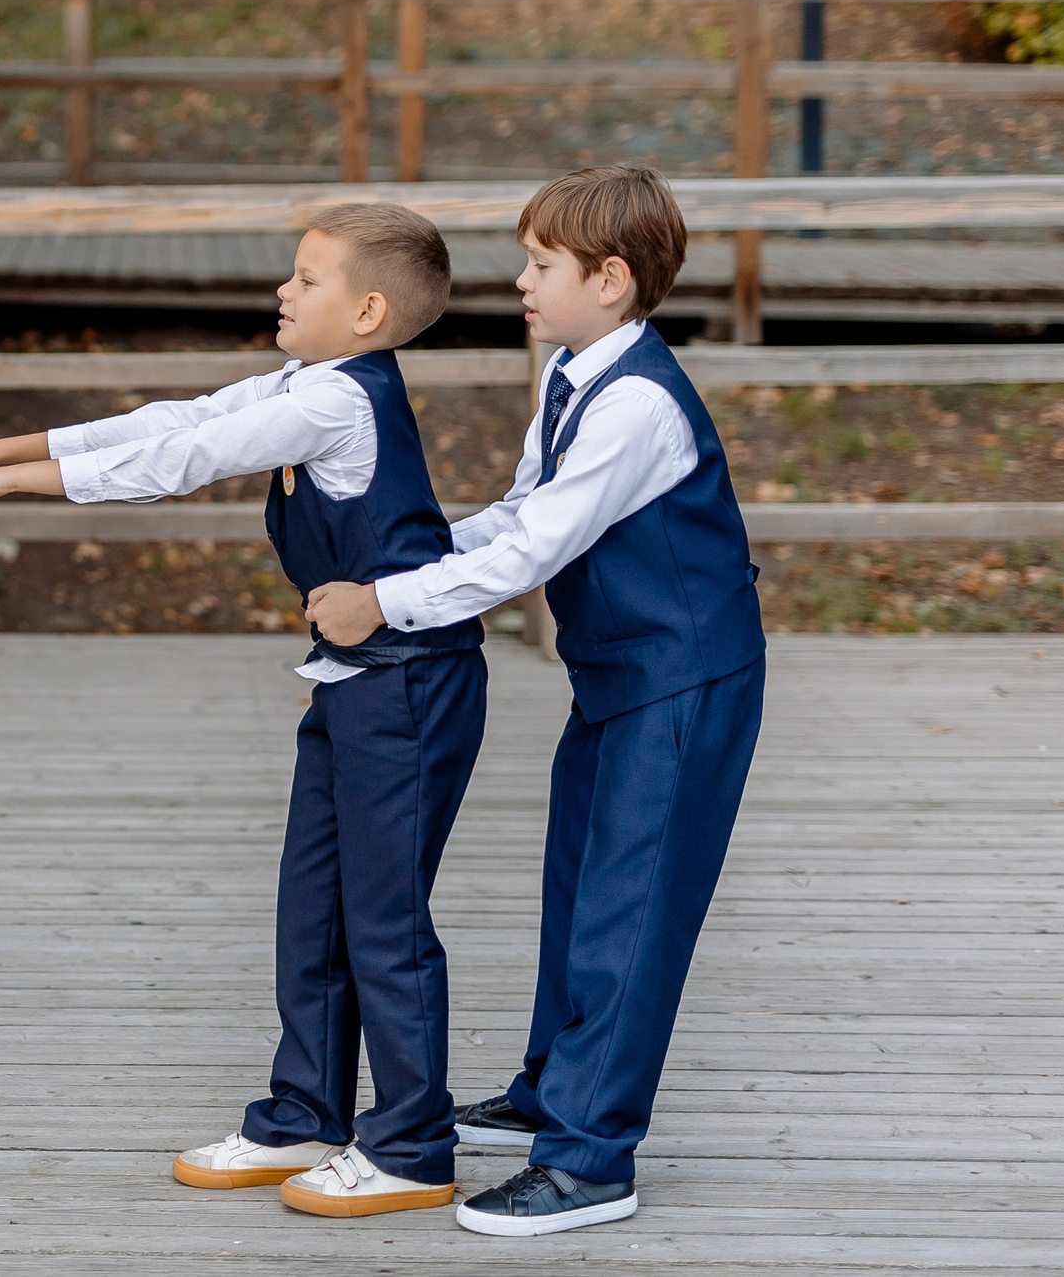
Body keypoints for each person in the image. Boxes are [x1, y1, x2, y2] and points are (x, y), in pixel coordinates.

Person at [0, 203, 486, 1221]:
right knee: (310, 905)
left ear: (365, 311)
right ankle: (305, 1115)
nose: (283, 289)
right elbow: (168, 422)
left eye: (307, 279)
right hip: (351, 677)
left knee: (383, 919)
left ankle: (410, 1145)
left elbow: (176, 465)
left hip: (410, 683)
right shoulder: (302, 383)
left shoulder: (338, 406)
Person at [308, 164, 765, 1238]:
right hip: (615, 674)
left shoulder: (639, 404)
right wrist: (407, 555)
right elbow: (517, 511)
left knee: (629, 907)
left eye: (539, 264)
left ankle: (591, 1155)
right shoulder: (570, 372)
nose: (518, 279)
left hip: (683, 682)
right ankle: (548, 1089)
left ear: (608, 280)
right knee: (576, 882)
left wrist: (387, 601)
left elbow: (534, 550)